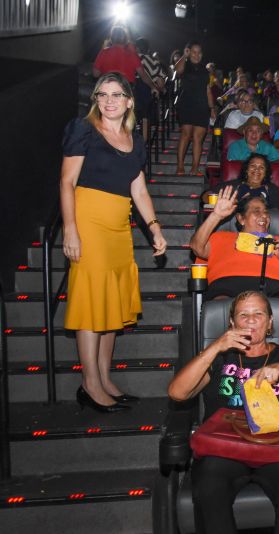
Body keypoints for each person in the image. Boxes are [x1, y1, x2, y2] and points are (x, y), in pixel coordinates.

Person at [168, 291, 279, 534]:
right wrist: (216, 346)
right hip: (223, 446)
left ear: (270, 322)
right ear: (232, 323)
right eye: (243, 315)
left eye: (258, 314)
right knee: (209, 489)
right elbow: (177, 392)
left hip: (275, 443)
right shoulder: (220, 357)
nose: (251, 320)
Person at [61, 72, 167, 412]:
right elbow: (67, 182)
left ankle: (104, 379)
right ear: (96, 99)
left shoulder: (134, 140)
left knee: (112, 307)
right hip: (89, 223)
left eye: (117, 94)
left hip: (119, 227)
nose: (109, 100)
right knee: (92, 306)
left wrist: (155, 229)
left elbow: (139, 190)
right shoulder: (84, 130)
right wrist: (70, 229)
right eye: (102, 94)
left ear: (129, 101)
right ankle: (89, 384)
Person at [190, 190, 279, 299]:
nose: (264, 215)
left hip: (275, 289)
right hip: (227, 288)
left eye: (266, 212)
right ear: (241, 219)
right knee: (221, 306)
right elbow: (196, 247)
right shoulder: (221, 237)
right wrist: (216, 215)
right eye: (256, 211)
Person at [93, 26, 160, 123]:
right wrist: (153, 87)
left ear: (111, 38)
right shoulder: (131, 54)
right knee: (126, 121)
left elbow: (95, 74)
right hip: (126, 91)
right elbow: (143, 75)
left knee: (106, 119)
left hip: (107, 91)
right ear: (125, 39)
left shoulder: (104, 52)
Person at [175, 41, 215, 176]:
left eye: (199, 52)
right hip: (186, 104)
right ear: (189, 52)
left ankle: (195, 167)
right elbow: (177, 70)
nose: (196, 55)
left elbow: (208, 90)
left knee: (198, 137)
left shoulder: (205, 70)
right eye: (194, 52)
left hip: (202, 106)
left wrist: (212, 108)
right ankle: (180, 166)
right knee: (186, 135)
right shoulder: (185, 65)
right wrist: (184, 56)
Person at [206, 153, 279, 208]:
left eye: (261, 167)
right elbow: (206, 196)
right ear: (246, 169)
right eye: (253, 166)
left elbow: (277, 213)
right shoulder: (233, 185)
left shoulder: (272, 189)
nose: (257, 170)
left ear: (266, 172)